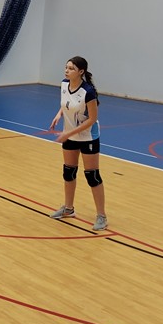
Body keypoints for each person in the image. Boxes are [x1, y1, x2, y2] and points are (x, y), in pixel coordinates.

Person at [48, 56, 108, 232]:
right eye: (66, 67)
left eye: (71, 68)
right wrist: (59, 114)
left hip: (88, 137)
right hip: (70, 135)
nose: (67, 71)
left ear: (81, 72)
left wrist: (68, 133)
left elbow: (92, 119)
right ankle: (68, 208)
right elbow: (66, 103)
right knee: (68, 172)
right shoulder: (64, 84)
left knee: (92, 175)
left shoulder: (88, 92)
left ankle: (102, 216)